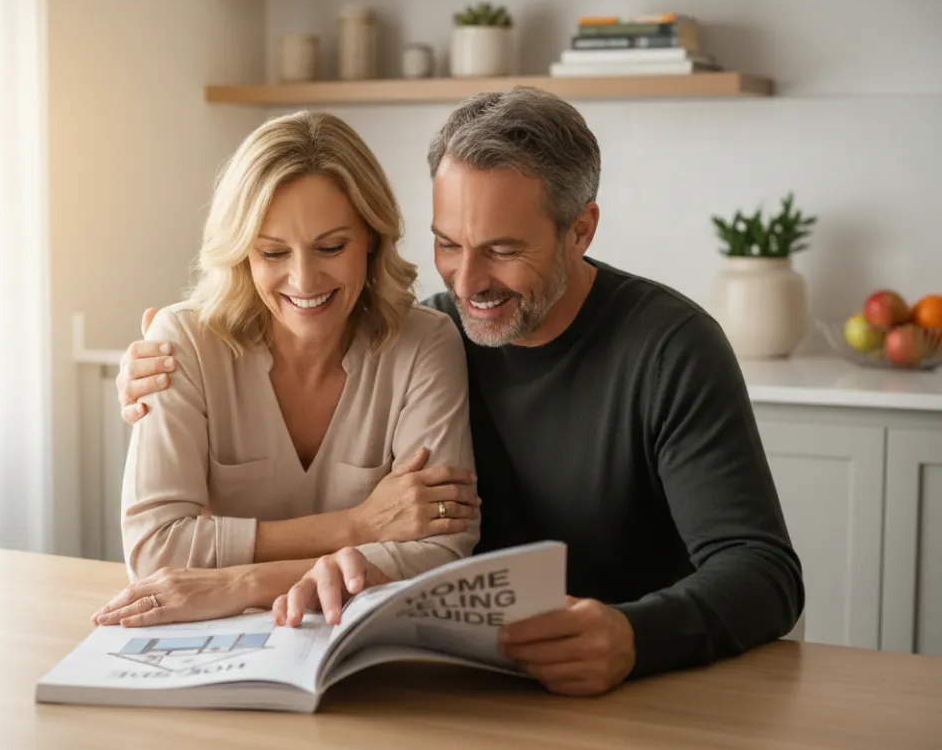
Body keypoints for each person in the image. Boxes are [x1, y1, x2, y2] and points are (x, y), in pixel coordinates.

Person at [115, 88, 805, 696]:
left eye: (502, 249)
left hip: (636, 689)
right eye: (449, 243)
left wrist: (635, 635)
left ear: (581, 230)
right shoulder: (443, 329)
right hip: (466, 683)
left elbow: (762, 571)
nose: (467, 282)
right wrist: (155, 370)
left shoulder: (670, 347)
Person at [92, 110, 482, 630]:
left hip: (366, 647)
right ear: (241, 254)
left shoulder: (425, 344)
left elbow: (442, 550)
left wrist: (237, 582)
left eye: (331, 247)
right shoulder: (181, 342)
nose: (303, 279)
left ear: (372, 237)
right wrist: (358, 526)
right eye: (273, 251)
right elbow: (155, 551)